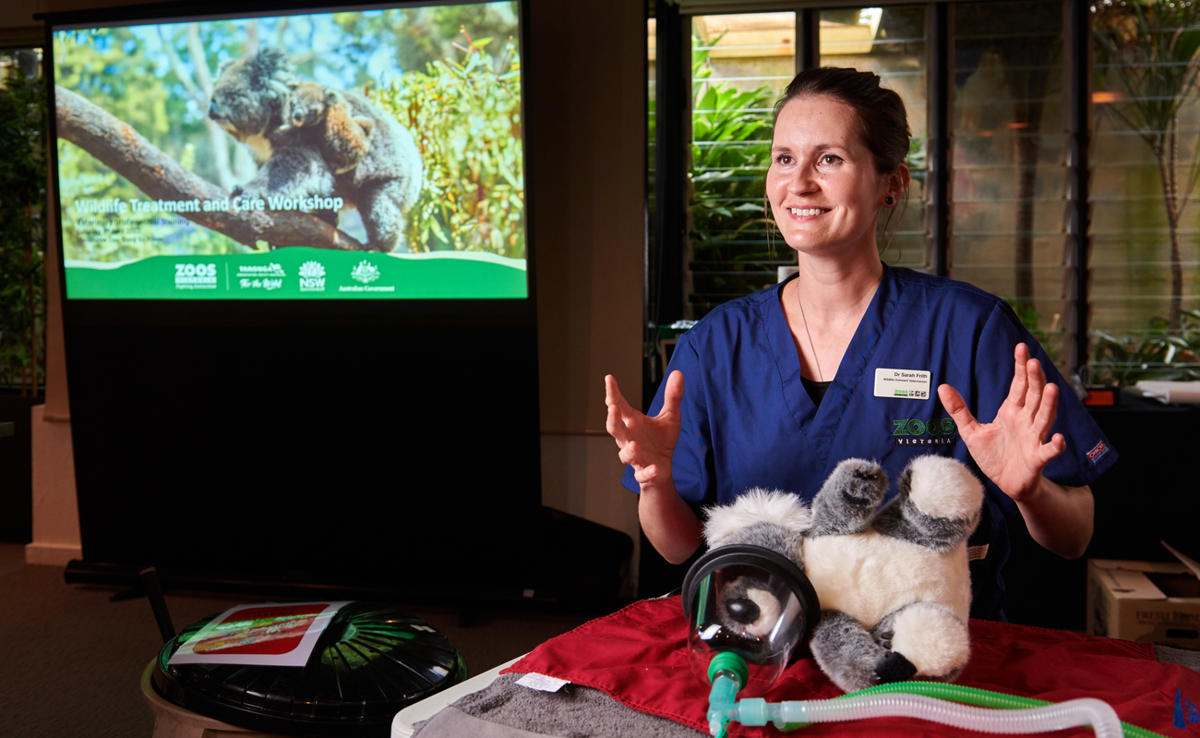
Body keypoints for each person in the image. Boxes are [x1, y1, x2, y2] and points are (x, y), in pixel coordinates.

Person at [604, 67, 1116, 619]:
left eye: (829, 159)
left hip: (927, 661)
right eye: (784, 158)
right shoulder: (717, 344)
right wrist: (655, 483)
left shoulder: (969, 328)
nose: (799, 182)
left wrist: (1030, 490)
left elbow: (1075, 535)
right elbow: (678, 546)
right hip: (765, 653)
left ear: (891, 184)